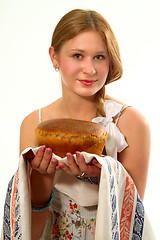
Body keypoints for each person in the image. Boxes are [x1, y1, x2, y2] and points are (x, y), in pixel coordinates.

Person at [19, 9, 150, 239]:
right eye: (78, 55)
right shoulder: (34, 124)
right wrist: (43, 177)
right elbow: (30, 230)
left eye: (99, 56)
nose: (90, 69)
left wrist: (100, 176)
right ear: (54, 57)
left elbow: (129, 222)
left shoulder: (130, 123)